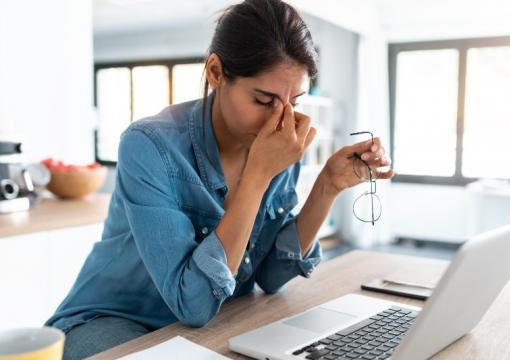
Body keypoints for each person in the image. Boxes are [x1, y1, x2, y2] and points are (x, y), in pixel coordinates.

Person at [45, 0, 394, 358]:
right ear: (215, 72)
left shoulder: (276, 143)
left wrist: (327, 186)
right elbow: (192, 303)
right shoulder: (149, 145)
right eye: (263, 99)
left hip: (208, 322)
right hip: (113, 320)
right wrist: (258, 176)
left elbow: (272, 276)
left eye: (295, 101)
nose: (281, 120)